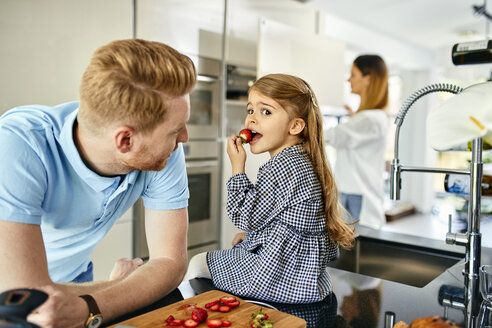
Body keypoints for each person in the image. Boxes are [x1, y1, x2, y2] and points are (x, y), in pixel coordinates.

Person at [0, 38, 196, 328]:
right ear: (125, 140)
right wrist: (118, 290)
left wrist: (93, 302)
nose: (184, 138)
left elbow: (169, 263)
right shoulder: (17, 145)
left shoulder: (163, 151)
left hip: (77, 283)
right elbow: (28, 302)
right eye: (176, 130)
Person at [184, 73, 354, 304]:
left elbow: (245, 217)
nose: (252, 120)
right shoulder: (301, 160)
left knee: (197, 263)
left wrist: (237, 168)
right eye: (250, 110)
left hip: (280, 277)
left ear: (295, 126)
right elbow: (279, 219)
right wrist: (256, 236)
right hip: (305, 276)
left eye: (266, 112)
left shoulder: (281, 167)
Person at [324, 54, 389, 229]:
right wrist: (355, 117)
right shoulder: (368, 118)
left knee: (352, 248)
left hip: (357, 199)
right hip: (353, 195)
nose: (349, 79)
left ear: (368, 79)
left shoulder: (370, 119)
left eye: (353, 74)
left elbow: (334, 136)